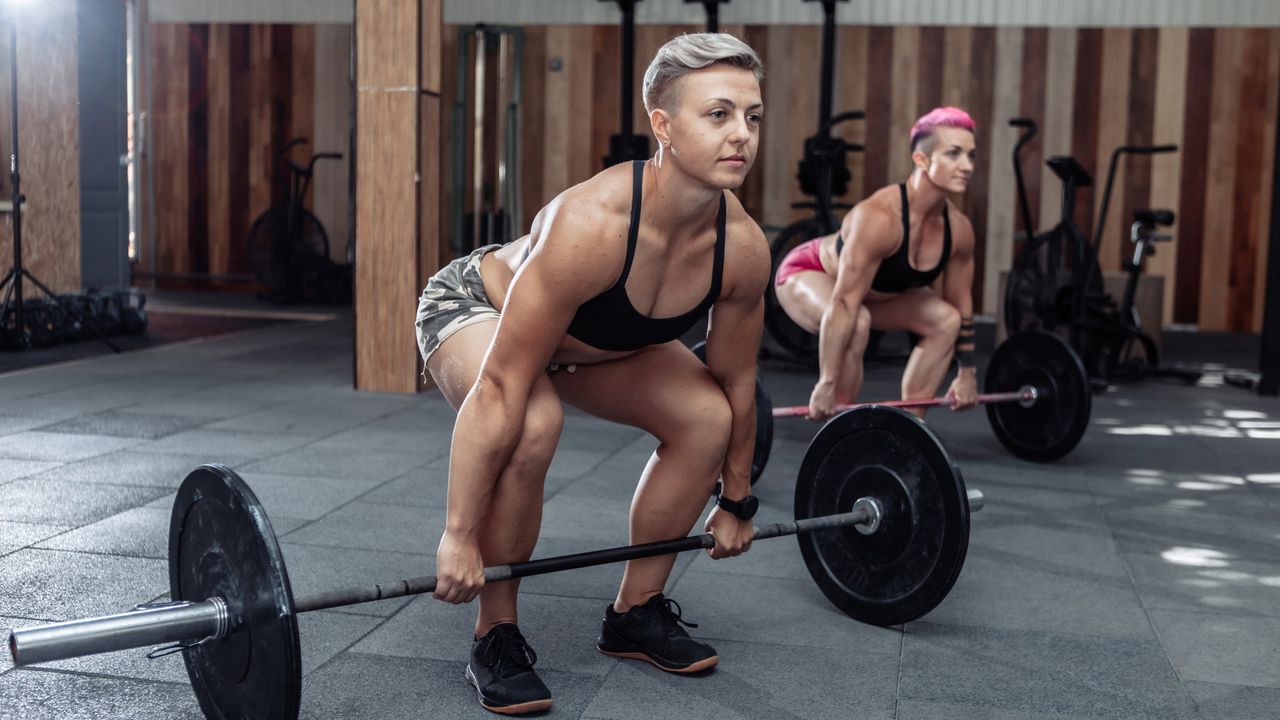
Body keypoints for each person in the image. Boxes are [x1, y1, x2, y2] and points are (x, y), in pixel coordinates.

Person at [414, 33, 769, 715]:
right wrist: (458, 535)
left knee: (707, 418)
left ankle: (635, 614)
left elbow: (738, 381)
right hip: (476, 306)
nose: (742, 136)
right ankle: (496, 633)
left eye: (752, 117)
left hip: (591, 346)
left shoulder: (743, 248)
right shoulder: (591, 223)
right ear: (663, 127)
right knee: (532, 422)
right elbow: (498, 388)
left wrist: (737, 499)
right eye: (718, 115)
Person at [773, 106, 981, 421]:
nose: (966, 166)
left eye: (970, 155)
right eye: (953, 154)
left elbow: (962, 304)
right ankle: (839, 427)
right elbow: (844, 305)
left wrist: (967, 373)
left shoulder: (959, 230)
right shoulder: (880, 219)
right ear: (921, 160)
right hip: (810, 272)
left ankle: (912, 424)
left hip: (872, 294)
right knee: (857, 323)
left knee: (946, 320)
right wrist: (825, 383)